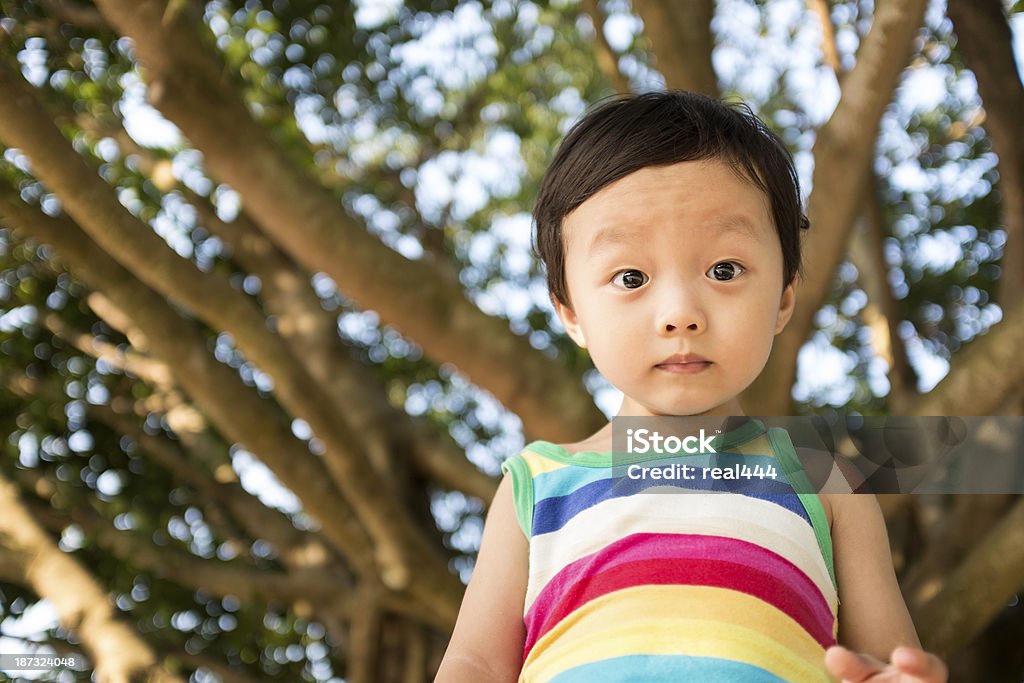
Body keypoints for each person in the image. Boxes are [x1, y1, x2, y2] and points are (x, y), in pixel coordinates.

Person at [435, 91, 948, 682]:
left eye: (723, 270)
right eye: (631, 277)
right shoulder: (536, 484)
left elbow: (883, 663)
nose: (681, 313)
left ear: (784, 296)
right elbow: (474, 663)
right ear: (571, 312)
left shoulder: (829, 484)